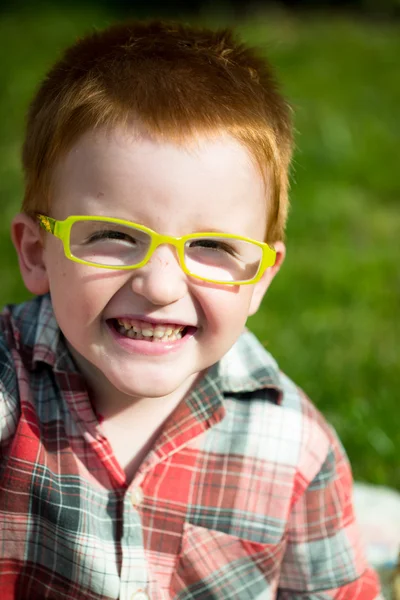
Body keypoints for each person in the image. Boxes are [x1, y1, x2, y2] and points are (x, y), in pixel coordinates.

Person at [0, 20, 382, 600]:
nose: (158, 285)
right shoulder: (11, 388)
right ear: (36, 253)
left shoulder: (294, 448)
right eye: (112, 236)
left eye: (211, 247)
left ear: (259, 279)